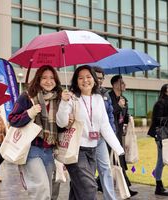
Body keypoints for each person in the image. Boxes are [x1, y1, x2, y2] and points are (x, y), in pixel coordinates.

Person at [56, 65, 124, 200]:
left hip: (93, 149)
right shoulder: (72, 98)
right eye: (80, 78)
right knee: (89, 187)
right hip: (76, 150)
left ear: (94, 79)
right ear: (76, 81)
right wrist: (64, 102)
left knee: (78, 189)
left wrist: (118, 148)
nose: (85, 80)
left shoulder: (99, 98)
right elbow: (61, 122)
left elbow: (105, 125)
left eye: (88, 77)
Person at [8, 65, 62, 200]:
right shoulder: (27, 97)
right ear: (38, 79)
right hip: (31, 149)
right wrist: (29, 113)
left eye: (51, 78)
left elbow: (60, 127)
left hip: (50, 150)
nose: (48, 81)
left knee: (48, 190)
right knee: (41, 190)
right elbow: (12, 119)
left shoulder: (59, 99)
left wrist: (68, 119)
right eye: (44, 78)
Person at [109, 74, 138, 197]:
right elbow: (108, 113)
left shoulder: (124, 99)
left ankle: (99, 182)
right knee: (117, 160)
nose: (125, 85)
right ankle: (126, 187)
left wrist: (128, 118)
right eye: (122, 83)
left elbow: (124, 117)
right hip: (110, 133)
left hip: (120, 133)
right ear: (115, 84)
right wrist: (118, 106)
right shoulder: (108, 97)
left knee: (115, 160)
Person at [93, 66, 117, 200]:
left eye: (101, 78)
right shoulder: (81, 93)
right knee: (87, 173)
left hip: (101, 139)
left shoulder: (105, 94)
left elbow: (110, 115)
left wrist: (111, 134)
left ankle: (110, 198)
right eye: (96, 77)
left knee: (105, 169)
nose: (99, 81)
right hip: (85, 141)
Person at [147, 83, 168, 196]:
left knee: (163, 160)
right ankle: (158, 186)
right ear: (165, 91)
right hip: (161, 135)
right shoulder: (160, 103)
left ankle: (159, 186)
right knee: (161, 160)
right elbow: (158, 120)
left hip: (165, 135)